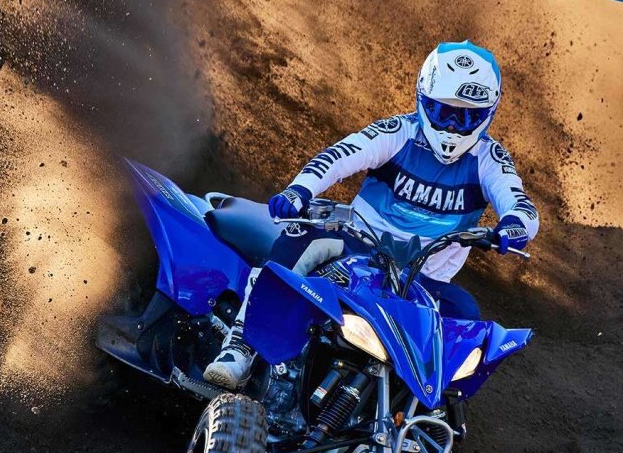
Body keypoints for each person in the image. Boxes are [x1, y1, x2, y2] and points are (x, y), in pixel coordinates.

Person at [204, 40, 540, 390]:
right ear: (424, 101)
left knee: (466, 316)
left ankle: (430, 413)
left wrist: (514, 225)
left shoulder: (490, 160)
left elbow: (520, 204)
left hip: (423, 284)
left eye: (467, 116)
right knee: (299, 238)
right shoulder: (398, 132)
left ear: (488, 114)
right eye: (444, 112)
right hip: (356, 254)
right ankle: (240, 347)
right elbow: (340, 156)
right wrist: (300, 189)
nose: (453, 126)